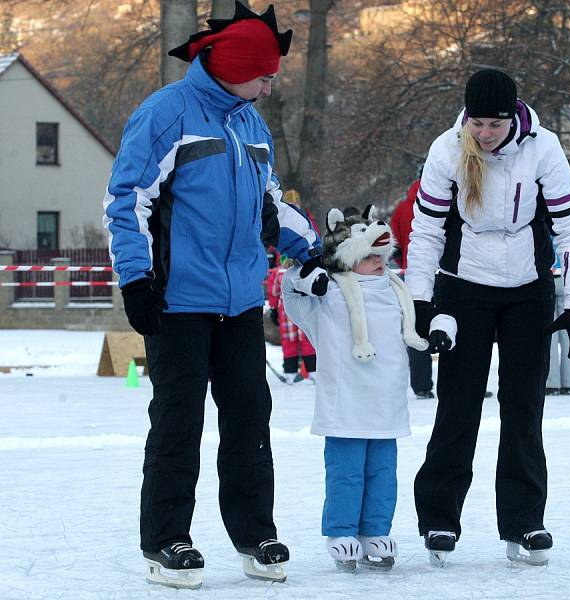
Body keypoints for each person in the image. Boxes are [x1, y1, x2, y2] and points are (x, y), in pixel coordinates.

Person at [102, 2, 329, 589]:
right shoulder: (166, 113)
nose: (271, 82)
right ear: (233, 64)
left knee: (251, 417)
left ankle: (256, 536)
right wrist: (135, 279)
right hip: (177, 302)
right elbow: (127, 201)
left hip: (239, 303)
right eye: (265, 72)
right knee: (178, 422)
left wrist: (316, 251)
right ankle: (167, 541)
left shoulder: (251, 122)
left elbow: (268, 204)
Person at [406, 68, 570, 566]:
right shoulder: (447, 149)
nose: (486, 134)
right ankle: (440, 520)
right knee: (458, 407)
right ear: (466, 118)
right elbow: (424, 231)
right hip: (464, 288)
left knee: (524, 408)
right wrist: (422, 301)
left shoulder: (544, 148)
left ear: (514, 117)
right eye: (478, 124)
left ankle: (524, 520)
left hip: (527, 292)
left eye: (496, 123)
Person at [281, 206, 429, 572]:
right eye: (367, 256)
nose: (378, 261)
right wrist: (307, 278)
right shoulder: (329, 295)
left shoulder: (398, 291)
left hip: (386, 404)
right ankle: (342, 532)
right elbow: (289, 287)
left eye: (380, 255)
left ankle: (375, 532)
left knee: (383, 474)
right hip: (345, 406)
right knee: (346, 473)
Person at [391, 177, 435, 398]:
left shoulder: (401, 208)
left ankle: (421, 385)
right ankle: (463, 382)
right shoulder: (447, 199)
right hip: (446, 272)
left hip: (414, 274)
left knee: (417, 329)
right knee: (454, 325)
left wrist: (406, 265)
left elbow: (395, 245)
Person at [267, 255, 317, 383]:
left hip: (286, 311)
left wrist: (273, 308)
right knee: (307, 339)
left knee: (289, 341)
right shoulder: (305, 271)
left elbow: (274, 292)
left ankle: (291, 372)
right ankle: (313, 371)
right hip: (303, 309)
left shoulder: (279, 273)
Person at [546, 252, 570, 396]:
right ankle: (569, 383)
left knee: (550, 336)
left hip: (549, 279)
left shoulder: (544, 229)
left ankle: (551, 383)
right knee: (568, 334)